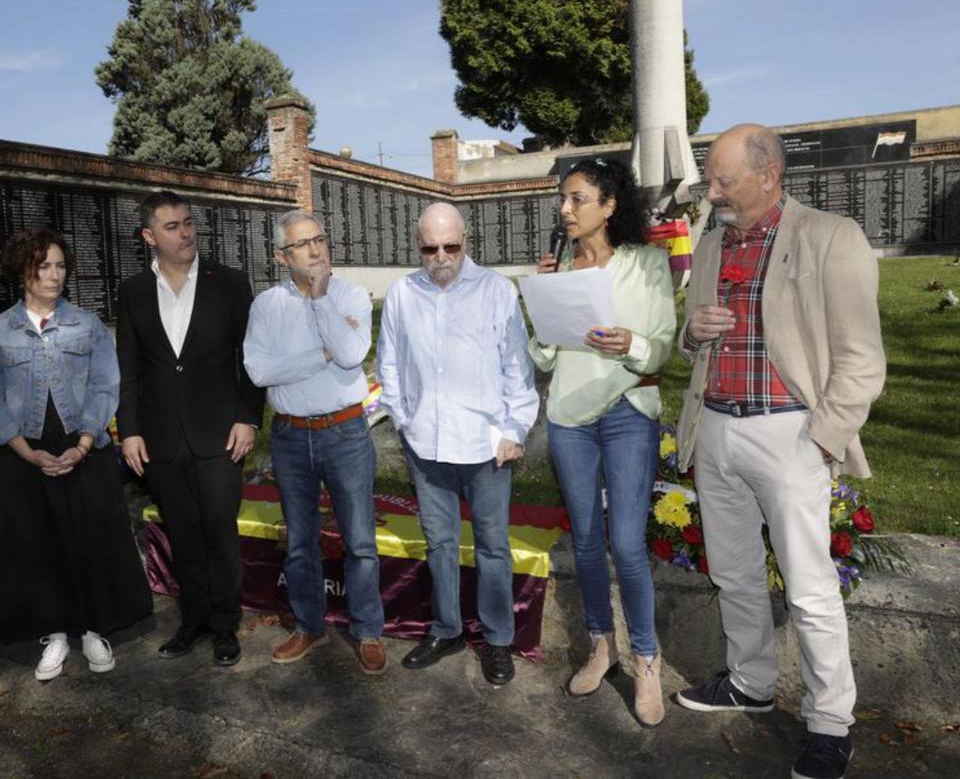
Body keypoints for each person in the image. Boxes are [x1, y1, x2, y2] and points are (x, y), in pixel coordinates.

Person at [674, 124, 885, 779]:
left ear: (769, 176)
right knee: (733, 573)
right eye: (710, 179)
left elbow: (861, 361)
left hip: (791, 433)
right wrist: (693, 330)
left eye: (722, 180)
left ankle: (829, 723)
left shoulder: (830, 237)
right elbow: (690, 338)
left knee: (811, 587)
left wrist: (821, 439)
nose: (710, 192)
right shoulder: (710, 243)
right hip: (717, 428)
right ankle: (750, 681)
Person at [0, 228, 152, 682]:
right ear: (21, 271)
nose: (54, 275)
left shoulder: (87, 326)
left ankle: (93, 628)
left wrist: (85, 443)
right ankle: (53, 632)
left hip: (83, 448)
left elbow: (104, 385)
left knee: (90, 540)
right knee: (37, 544)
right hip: (23, 455)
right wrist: (27, 453)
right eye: (43, 266)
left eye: (60, 265)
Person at [531, 158, 676, 726]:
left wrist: (631, 342)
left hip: (626, 413)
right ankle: (601, 643)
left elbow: (663, 345)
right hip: (569, 415)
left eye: (576, 199)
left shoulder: (648, 264)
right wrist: (542, 303)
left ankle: (646, 656)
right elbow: (542, 356)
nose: (565, 210)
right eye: (562, 200)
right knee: (587, 541)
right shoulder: (560, 268)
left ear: (610, 205)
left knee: (627, 543)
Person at [376, 202, 539, 686]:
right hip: (425, 444)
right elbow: (388, 360)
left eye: (451, 246)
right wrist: (403, 418)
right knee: (440, 543)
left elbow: (517, 365)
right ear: (418, 245)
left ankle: (498, 640)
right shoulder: (402, 293)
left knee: (492, 548)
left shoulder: (495, 290)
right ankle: (445, 629)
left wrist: (515, 430)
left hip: (486, 448)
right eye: (430, 247)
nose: (441, 257)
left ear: (467, 240)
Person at [116, 190, 264, 667]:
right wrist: (130, 430)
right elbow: (130, 369)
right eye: (172, 227)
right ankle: (194, 619)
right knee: (182, 534)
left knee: (220, 534)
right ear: (149, 236)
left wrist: (247, 417)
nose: (185, 233)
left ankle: (225, 625)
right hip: (160, 439)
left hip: (220, 435)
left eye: (188, 223)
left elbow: (253, 361)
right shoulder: (134, 291)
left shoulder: (231, 284)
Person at [243, 210, 387, 675]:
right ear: (282, 256)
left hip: (345, 432)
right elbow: (260, 371)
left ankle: (367, 631)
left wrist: (323, 301)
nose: (315, 250)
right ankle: (309, 625)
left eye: (319, 239)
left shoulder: (349, 295)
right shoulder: (267, 305)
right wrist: (318, 353)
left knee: (360, 541)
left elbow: (349, 354)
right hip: (289, 437)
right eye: (303, 244)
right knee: (300, 542)